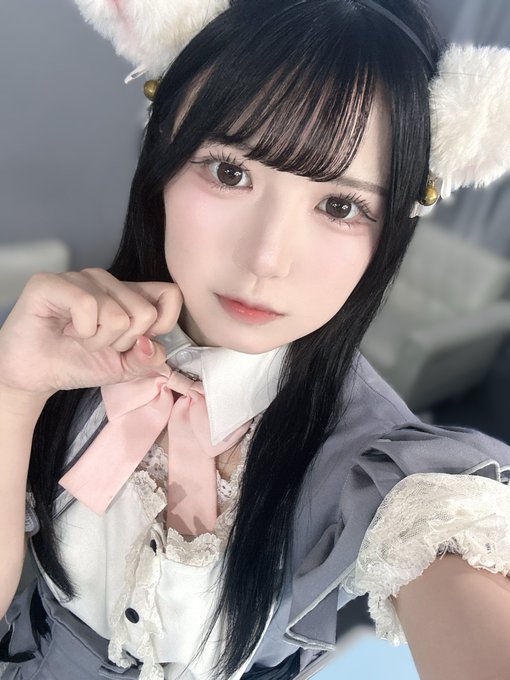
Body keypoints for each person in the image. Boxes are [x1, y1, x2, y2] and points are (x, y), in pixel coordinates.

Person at [1, 0, 510, 679]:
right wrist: (15, 393)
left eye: (341, 205)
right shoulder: (59, 342)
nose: (267, 258)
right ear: (163, 158)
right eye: (230, 172)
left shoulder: (377, 465)